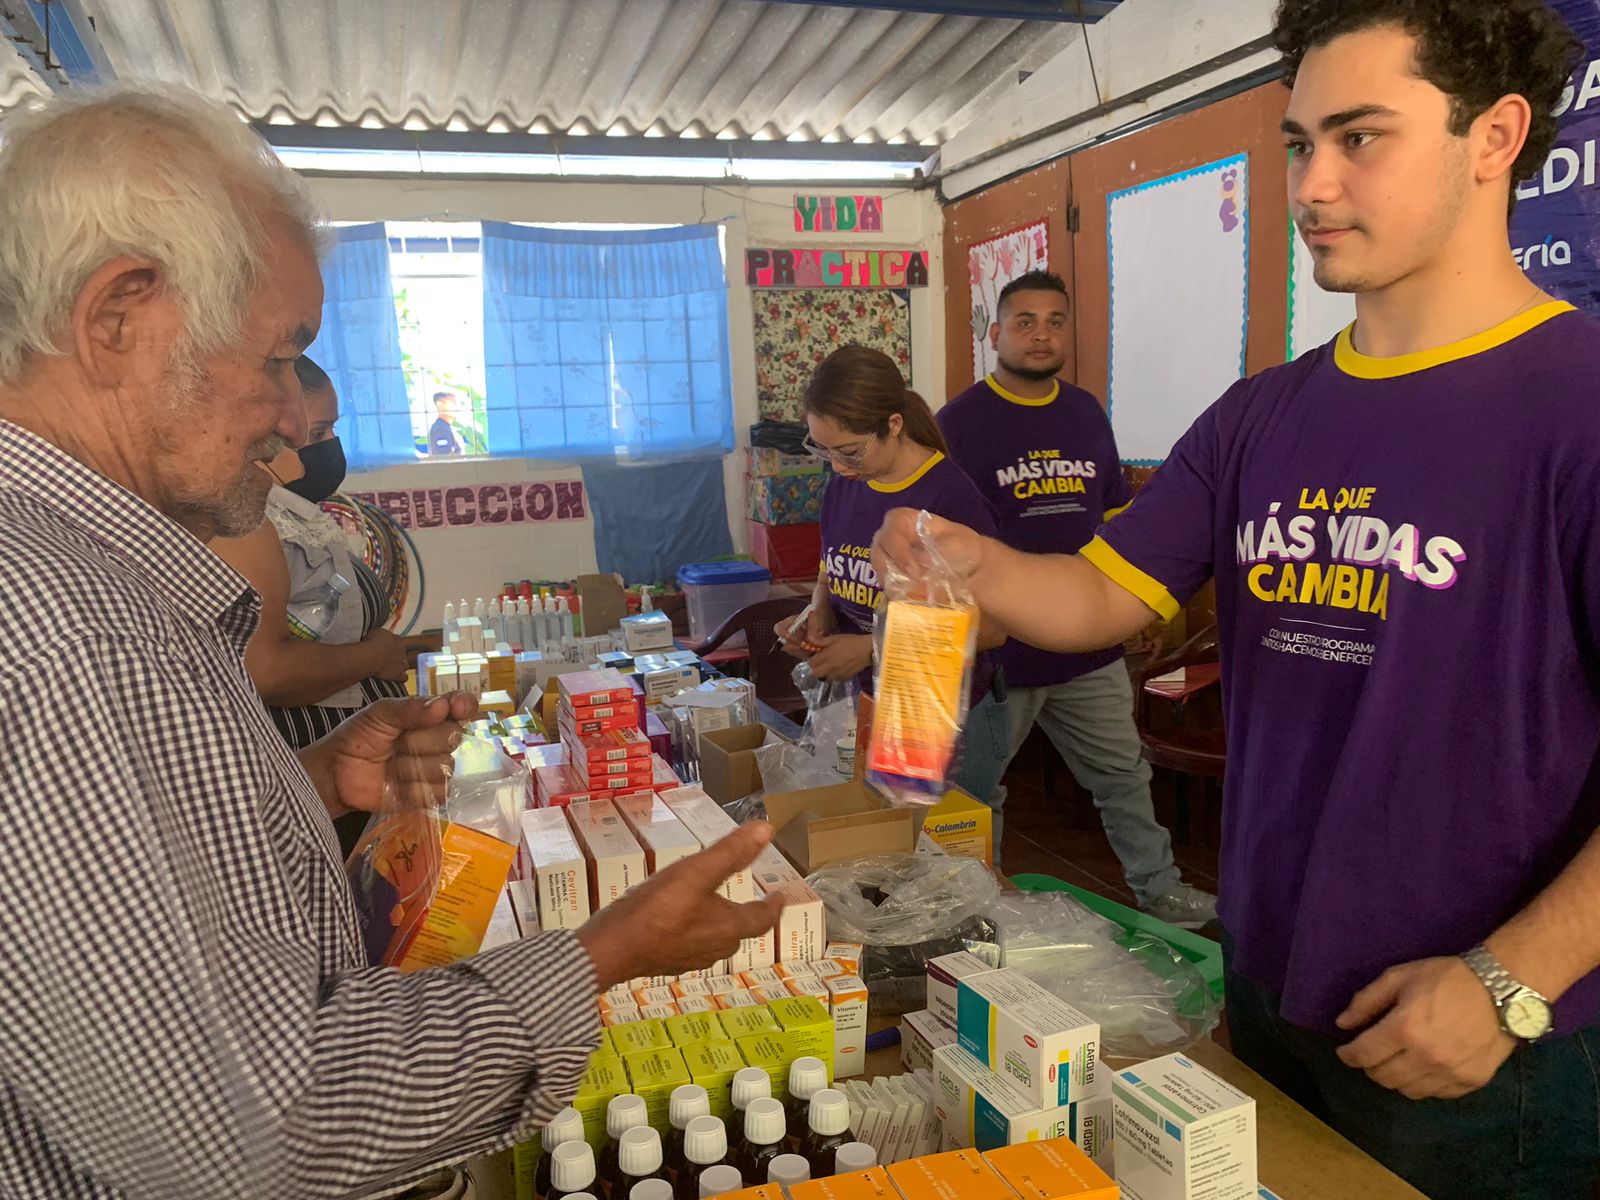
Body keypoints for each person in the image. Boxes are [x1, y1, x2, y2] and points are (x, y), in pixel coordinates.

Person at [0, 87, 783, 1198]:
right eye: (279, 357)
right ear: (117, 317)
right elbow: (258, 1137)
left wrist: (306, 781)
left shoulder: (74, 589)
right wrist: (602, 954)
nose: (293, 418)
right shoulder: (75, 633)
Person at [877, 2, 1600, 1196]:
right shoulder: (1261, 413)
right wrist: (965, 560)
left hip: (1488, 1040)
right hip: (1270, 985)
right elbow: (1088, 602)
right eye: (1297, 143)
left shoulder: (1572, 405)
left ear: (1496, 136)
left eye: (1359, 138)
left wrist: (1510, 978)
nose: (1312, 184)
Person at [938, 270, 1217, 928]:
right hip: (1002, 658)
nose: (1041, 334)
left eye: (1055, 321)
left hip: (1089, 648)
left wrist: (1139, 606)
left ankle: (1160, 890)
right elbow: (943, 540)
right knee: (979, 796)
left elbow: (1117, 512)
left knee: (1123, 776)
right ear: (995, 333)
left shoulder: (1085, 412)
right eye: (1025, 321)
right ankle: (982, 911)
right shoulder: (959, 424)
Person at [777, 345, 1012, 815]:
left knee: (950, 862)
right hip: (862, 706)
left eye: (848, 451)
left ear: (894, 424)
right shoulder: (846, 482)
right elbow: (833, 561)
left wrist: (872, 647)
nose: (837, 466)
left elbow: (993, 627)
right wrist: (819, 611)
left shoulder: (948, 498)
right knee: (881, 853)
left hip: (940, 716)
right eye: (821, 449)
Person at [211, 354, 411, 856]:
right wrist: (376, 656)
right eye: (315, 433)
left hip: (348, 769)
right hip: (308, 766)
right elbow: (266, 670)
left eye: (327, 432)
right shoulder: (247, 526)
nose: (322, 449)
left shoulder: (299, 515)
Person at [428, 389, 462, 455]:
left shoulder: (449, 428)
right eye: (453, 402)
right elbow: (443, 460)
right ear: (439, 404)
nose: (457, 406)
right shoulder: (439, 429)